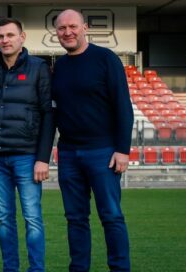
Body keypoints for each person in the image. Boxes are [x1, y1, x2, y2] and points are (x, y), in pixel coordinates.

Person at [52, 9, 133, 272]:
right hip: (69, 153)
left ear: (84, 27)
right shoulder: (60, 66)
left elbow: (123, 106)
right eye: (62, 28)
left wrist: (122, 150)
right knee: (75, 219)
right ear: (56, 32)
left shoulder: (105, 59)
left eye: (72, 26)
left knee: (111, 216)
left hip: (103, 152)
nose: (68, 32)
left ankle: (119, 268)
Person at [0, 18, 54, 272]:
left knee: (32, 219)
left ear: (22, 37)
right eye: (0, 36)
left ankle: (36, 269)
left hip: (28, 157)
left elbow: (48, 113)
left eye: (10, 35)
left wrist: (43, 157)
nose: (5, 40)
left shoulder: (39, 68)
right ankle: (10, 268)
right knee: (4, 219)